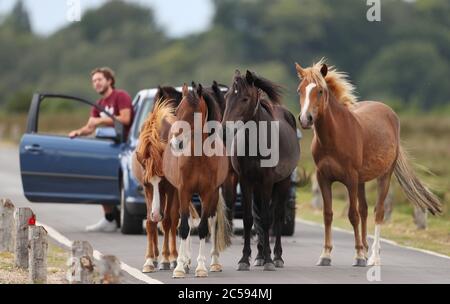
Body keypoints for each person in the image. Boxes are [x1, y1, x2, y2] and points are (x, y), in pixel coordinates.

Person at [69, 67, 133, 232]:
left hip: (126, 146)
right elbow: (90, 126)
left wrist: (101, 121)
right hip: (108, 147)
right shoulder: (98, 105)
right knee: (100, 177)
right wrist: (78, 132)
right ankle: (109, 218)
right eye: (94, 81)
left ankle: (121, 215)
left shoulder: (120, 96)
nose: (96, 83)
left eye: (99, 80)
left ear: (109, 80)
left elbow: (126, 119)